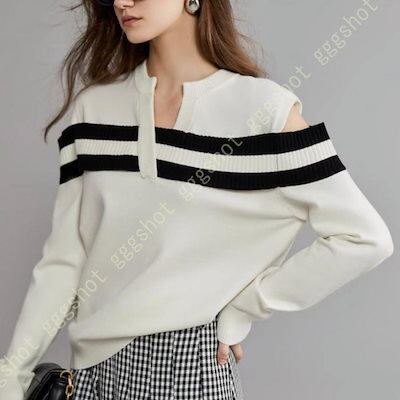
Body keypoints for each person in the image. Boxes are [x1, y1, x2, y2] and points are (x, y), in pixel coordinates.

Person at [0, 0, 394, 399]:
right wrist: (12, 376)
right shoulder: (93, 110)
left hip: (184, 367)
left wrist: (247, 305)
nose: (121, 2)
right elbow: (65, 260)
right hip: (88, 374)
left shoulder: (263, 110)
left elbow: (364, 238)